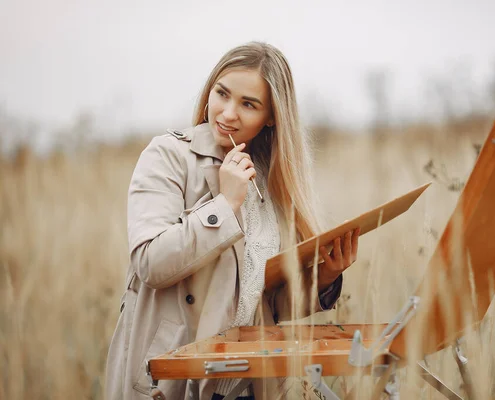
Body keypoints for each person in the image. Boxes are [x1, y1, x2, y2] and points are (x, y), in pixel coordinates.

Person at [105, 42, 360, 400]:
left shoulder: (273, 180)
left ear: (272, 116)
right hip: (172, 382)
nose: (227, 113)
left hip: (250, 385)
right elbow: (150, 262)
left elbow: (263, 303)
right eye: (222, 94)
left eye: (248, 104)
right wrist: (225, 205)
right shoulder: (169, 156)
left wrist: (325, 279)